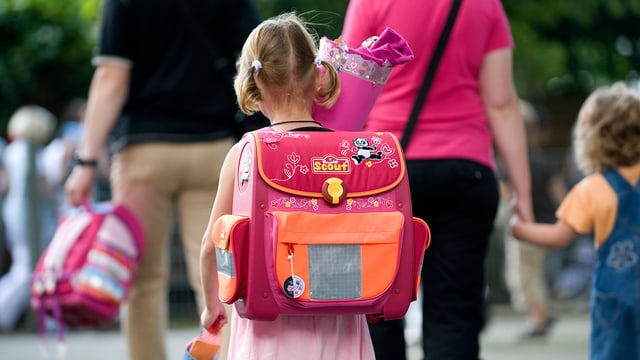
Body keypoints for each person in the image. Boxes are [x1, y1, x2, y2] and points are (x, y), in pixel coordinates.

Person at [64, 1, 260, 359]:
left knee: (143, 281)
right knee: (223, 274)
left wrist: (86, 161)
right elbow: (255, 58)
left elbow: (111, 79)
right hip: (215, 150)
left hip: (144, 152)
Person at [341, 0, 534, 358]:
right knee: (455, 315)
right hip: (465, 169)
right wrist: (523, 193)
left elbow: (349, 84)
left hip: (384, 170)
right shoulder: (485, 6)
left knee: (376, 311)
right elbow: (502, 103)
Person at [199, 12, 376, 359]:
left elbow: (211, 245)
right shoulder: (352, 152)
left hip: (270, 321)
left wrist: (212, 307)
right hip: (339, 314)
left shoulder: (246, 154)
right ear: (318, 76)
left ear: (255, 82)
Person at [510, 82, 640, 360]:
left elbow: (559, 236)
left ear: (590, 138)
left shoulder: (592, 188)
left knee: (614, 352)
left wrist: (520, 229)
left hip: (615, 293)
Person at [502, 100, 565, 338]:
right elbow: (559, 193)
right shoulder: (542, 159)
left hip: (523, 228)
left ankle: (539, 319)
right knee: (534, 273)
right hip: (545, 225)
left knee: (524, 276)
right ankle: (540, 316)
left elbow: (504, 192)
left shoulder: (513, 160)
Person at [0, 105, 58, 331]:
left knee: (28, 269)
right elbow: (43, 188)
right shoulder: (33, 152)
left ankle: (49, 319)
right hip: (33, 220)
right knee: (29, 270)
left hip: (14, 216)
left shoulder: (11, 151)